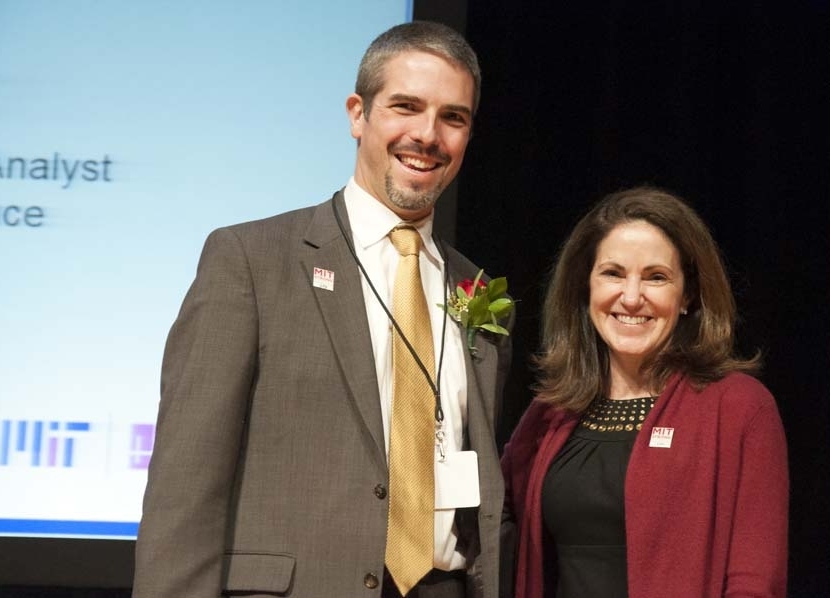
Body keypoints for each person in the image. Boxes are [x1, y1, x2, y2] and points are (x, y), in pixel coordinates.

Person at [132, 21, 513, 598]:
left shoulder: (475, 289)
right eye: (406, 107)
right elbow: (185, 482)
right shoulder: (251, 260)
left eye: (452, 117)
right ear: (358, 114)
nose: (427, 135)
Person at [501, 186, 788, 598]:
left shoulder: (741, 407)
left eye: (656, 277)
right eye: (613, 274)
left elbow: (755, 583)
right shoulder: (550, 411)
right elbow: (493, 521)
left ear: (688, 295)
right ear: (585, 287)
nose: (632, 297)